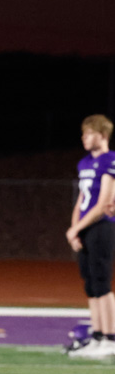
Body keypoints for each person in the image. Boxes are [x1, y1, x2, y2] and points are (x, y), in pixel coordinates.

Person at [66, 114, 115, 360]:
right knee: (90, 284)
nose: (84, 138)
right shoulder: (84, 163)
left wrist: (77, 228)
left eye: (89, 133)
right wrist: (74, 228)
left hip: (102, 226)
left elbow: (103, 203)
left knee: (102, 282)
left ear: (102, 135)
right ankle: (97, 336)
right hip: (86, 227)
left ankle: (110, 337)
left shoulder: (110, 159)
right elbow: (81, 200)